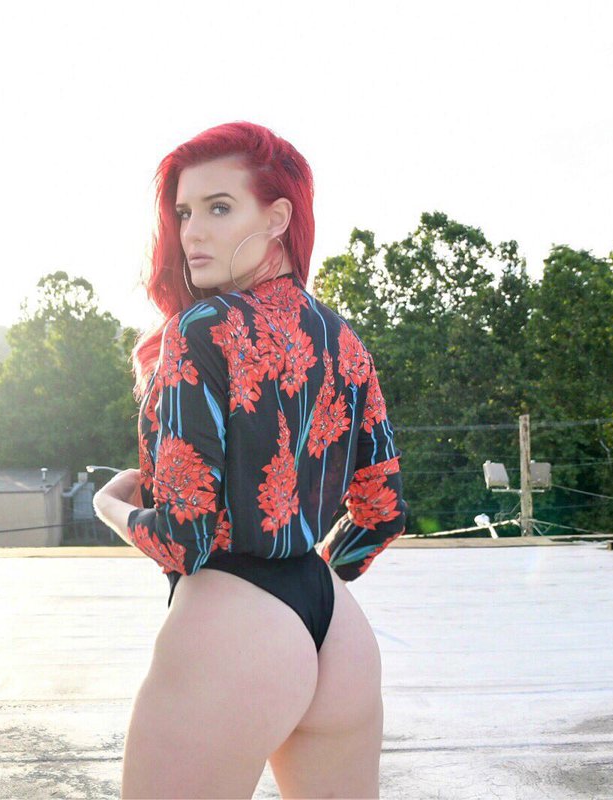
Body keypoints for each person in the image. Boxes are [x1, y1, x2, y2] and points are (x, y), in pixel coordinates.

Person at [93, 121, 408, 799]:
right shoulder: (343, 338)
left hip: (232, 624)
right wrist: (303, 588)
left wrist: (110, 506)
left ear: (278, 218)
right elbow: (382, 511)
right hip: (336, 626)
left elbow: (184, 539)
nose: (192, 233)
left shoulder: (202, 330)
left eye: (219, 207)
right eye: (184, 212)